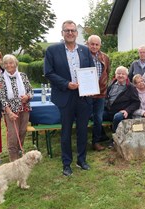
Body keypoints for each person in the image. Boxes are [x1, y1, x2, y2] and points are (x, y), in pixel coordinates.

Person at [44, 20, 95, 176]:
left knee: (82, 130)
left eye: (73, 30)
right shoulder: (52, 50)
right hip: (65, 96)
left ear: (77, 33)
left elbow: (91, 70)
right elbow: (49, 73)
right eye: (67, 30)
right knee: (66, 132)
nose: (70, 33)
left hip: (83, 97)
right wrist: (67, 84)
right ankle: (66, 164)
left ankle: (81, 160)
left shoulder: (85, 51)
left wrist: (91, 86)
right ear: (62, 33)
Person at [0, 54, 33, 162]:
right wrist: (9, 112)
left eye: (11, 62)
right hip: (11, 112)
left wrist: (27, 97)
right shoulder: (1, 78)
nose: (9, 65)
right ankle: (13, 160)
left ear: (15, 63)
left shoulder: (22, 76)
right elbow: (2, 97)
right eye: (6, 63)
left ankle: (19, 151)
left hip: (24, 109)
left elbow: (30, 91)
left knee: (22, 131)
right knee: (13, 134)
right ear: (3, 65)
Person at [87, 35, 111, 151]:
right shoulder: (82, 56)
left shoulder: (105, 57)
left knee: (98, 118)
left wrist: (104, 87)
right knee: (83, 117)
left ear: (100, 45)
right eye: (92, 44)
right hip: (85, 94)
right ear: (88, 44)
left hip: (100, 94)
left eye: (97, 44)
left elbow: (107, 73)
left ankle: (96, 142)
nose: (94, 46)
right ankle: (82, 141)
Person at [103, 66, 140, 135]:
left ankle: (115, 138)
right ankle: (102, 136)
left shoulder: (130, 87)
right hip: (109, 111)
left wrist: (127, 110)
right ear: (115, 75)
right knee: (95, 115)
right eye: (118, 73)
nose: (120, 75)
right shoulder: (111, 84)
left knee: (117, 117)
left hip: (121, 112)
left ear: (126, 76)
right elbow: (106, 96)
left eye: (123, 74)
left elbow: (136, 102)